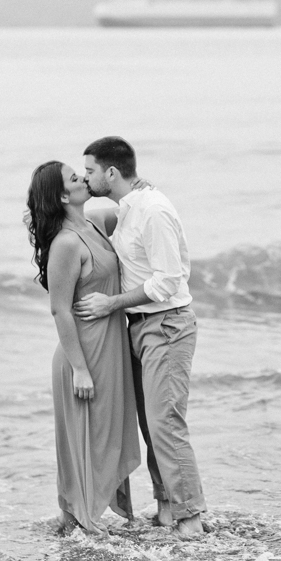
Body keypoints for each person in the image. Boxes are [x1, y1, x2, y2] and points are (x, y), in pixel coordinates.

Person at [74, 137, 206, 535]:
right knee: (151, 425)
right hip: (140, 327)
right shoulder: (130, 207)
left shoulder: (153, 211)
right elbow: (91, 220)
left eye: (91, 171)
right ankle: (167, 507)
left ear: (111, 173)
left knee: (165, 422)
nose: (85, 176)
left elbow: (168, 282)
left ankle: (191, 519)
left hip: (166, 325)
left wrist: (111, 303)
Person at [25, 160, 141, 535]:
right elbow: (59, 309)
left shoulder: (93, 224)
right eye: (75, 178)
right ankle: (78, 522)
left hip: (110, 349)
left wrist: (133, 181)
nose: (84, 179)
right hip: (83, 353)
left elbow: (132, 204)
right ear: (62, 196)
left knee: (105, 435)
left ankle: (78, 521)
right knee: (84, 438)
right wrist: (79, 368)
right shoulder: (65, 243)